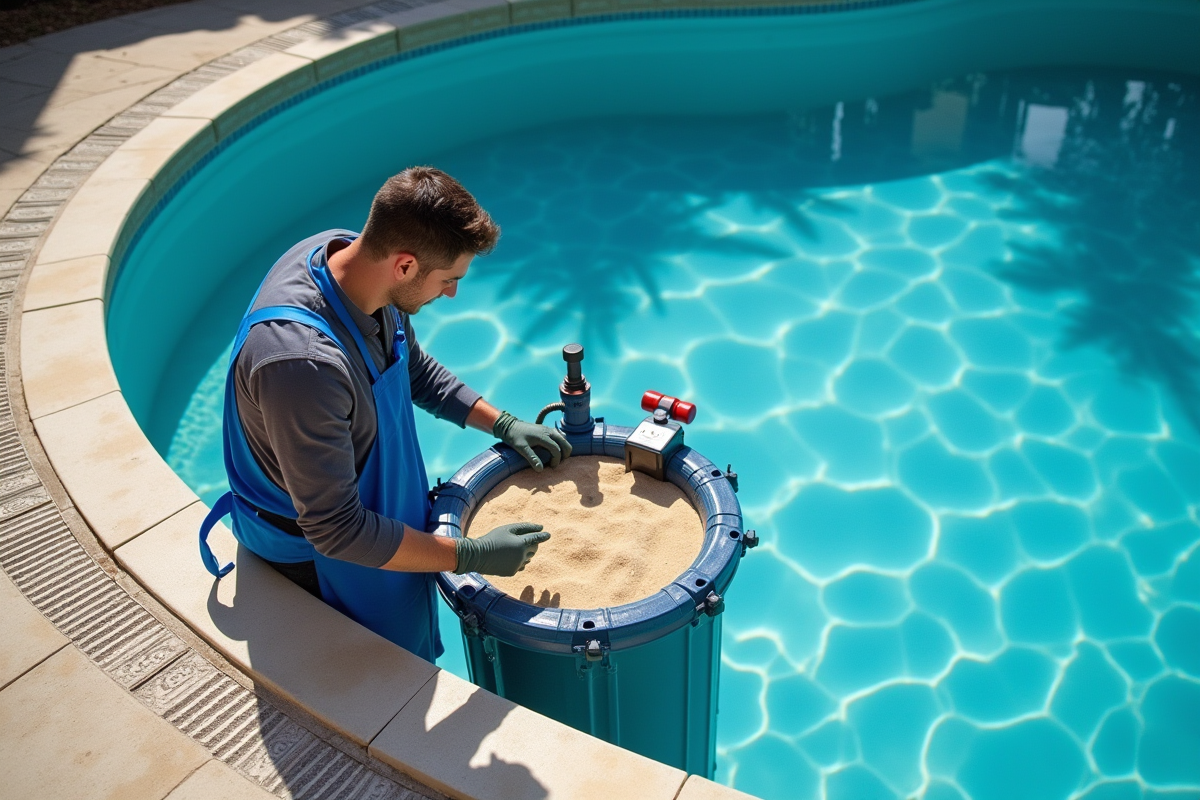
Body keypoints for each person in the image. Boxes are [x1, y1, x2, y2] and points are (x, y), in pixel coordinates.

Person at [198, 166, 572, 662]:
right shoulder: (301, 364)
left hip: (367, 516)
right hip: (316, 560)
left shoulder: (352, 258)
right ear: (404, 266)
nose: (453, 292)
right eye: (449, 280)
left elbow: (410, 367)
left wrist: (502, 423)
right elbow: (337, 531)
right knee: (377, 692)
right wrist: (471, 555)